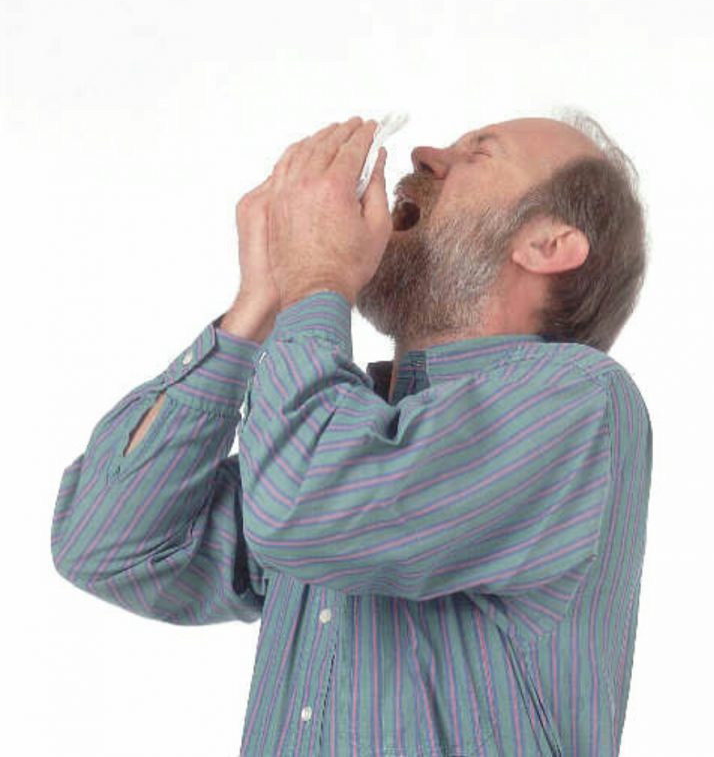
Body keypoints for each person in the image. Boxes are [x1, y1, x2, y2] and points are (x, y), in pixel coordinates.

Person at [51, 112, 653, 756]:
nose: (426, 155)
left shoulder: (581, 401)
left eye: (479, 153)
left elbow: (306, 505)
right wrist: (259, 304)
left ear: (548, 246)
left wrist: (317, 283)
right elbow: (108, 545)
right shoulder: (335, 426)